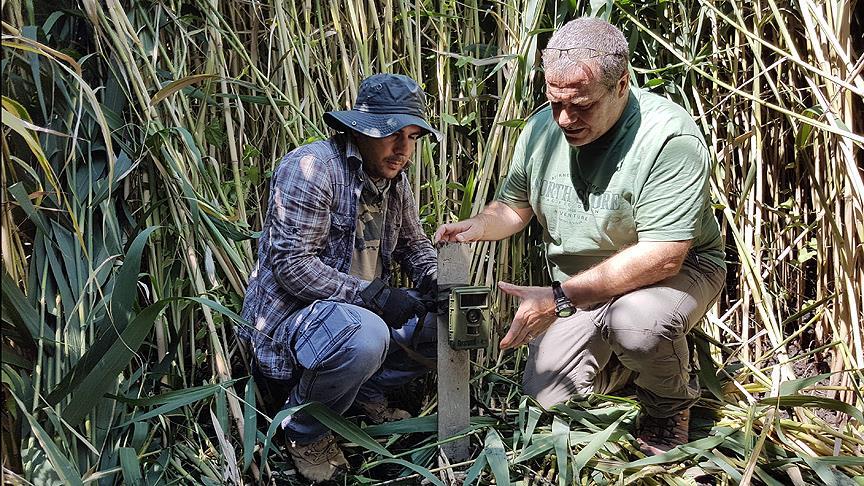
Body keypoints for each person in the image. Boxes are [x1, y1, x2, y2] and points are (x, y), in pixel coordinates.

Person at [435, 17, 726, 456]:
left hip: (671, 276)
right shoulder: (540, 130)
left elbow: (663, 257)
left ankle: (668, 405)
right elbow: (515, 206)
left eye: (582, 106)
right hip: (579, 287)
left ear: (622, 84)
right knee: (545, 403)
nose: (565, 119)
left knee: (638, 323)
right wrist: (479, 226)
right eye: (555, 103)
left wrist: (559, 298)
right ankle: (625, 368)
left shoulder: (669, 138)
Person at [239, 73, 440, 482]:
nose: (404, 150)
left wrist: (436, 280)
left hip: (357, 321)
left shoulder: (394, 181)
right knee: (365, 333)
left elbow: (413, 245)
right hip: (296, 327)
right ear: (359, 130)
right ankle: (303, 429)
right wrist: (374, 296)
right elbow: (292, 265)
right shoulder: (313, 168)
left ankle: (362, 395)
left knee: (454, 324)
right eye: (392, 135)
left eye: (413, 137)